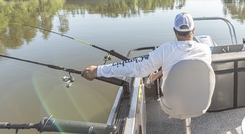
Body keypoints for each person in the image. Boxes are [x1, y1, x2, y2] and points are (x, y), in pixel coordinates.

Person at [81, 13, 212, 85]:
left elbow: (135, 67)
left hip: (173, 102)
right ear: (193, 30)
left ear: (174, 31)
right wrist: (160, 73)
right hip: (202, 101)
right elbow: (187, 65)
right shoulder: (205, 50)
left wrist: (98, 70)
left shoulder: (165, 49)